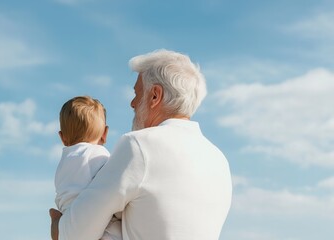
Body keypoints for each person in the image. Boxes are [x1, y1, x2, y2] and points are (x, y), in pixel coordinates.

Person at [50, 49, 232, 240]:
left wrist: (56, 226)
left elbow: (75, 234)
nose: (132, 103)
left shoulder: (139, 146)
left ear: (155, 95)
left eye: (137, 93)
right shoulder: (219, 161)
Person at [54, 96, 122, 240]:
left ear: (62, 137)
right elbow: (114, 187)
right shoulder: (99, 154)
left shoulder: (63, 163)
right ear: (104, 134)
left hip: (69, 221)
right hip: (101, 227)